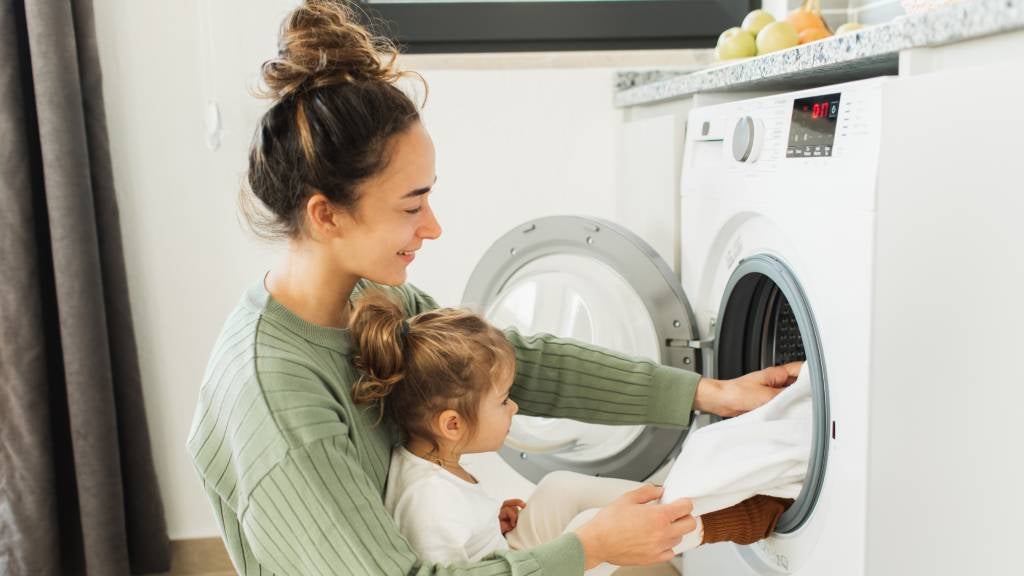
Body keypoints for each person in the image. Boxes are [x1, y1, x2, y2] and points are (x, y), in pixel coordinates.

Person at [187, 1, 801, 574]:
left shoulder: (370, 302)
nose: (433, 226)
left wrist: (708, 392)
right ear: (327, 215)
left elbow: (511, 364)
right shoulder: (277, 399)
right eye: (411, 206)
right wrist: (584, 550)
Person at [348, 291, 794, 568]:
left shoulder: (434, 462)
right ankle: (738, 517)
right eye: (503, 401)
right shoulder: (428, 502)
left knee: (559, 486)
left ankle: (677, 496)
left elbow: (462, 542)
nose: (515, 406)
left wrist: (490, 522)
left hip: (508, 557)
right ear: (452, 424)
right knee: (586, 525)